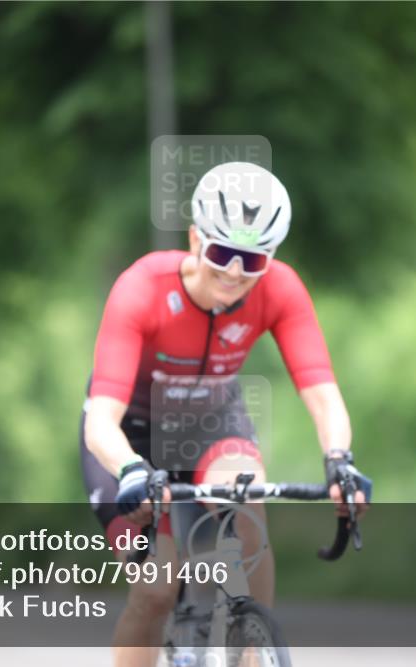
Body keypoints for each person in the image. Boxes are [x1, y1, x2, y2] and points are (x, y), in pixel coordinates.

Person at [80, 161, 367, 667]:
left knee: (250, 520)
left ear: (270, 258)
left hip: (213, 422)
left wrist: (339, 459)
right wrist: (130, 470)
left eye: (252, 260)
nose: (235, 272)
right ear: (195, 238)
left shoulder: (280, 289)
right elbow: (101, 417)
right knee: (156, 589)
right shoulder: (142, 287)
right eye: (222, 252)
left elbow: (321, 390)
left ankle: (251, 648)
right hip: (129, 436)